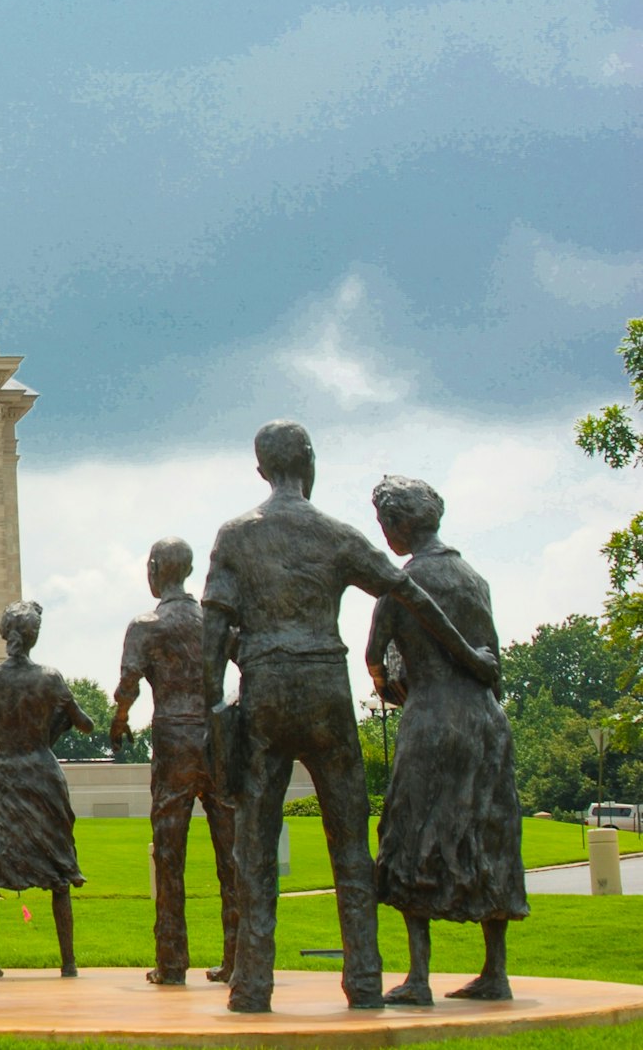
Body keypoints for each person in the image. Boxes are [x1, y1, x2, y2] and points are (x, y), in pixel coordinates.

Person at [201, 421, 498, 1014]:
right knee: (350, 843)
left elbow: (212, 637)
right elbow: (409, 593)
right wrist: (470, 657)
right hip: (324, 692)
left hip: (264, 692)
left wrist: (216, 718)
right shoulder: (336, 534)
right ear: (309, 463)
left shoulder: (235, 536)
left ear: (261, 469)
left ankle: (253, 985)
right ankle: (363, 979)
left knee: (254, 844)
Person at [366, 475, 528, 1004]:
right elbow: (492, 660)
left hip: (432, 720)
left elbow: (379, 666)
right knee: (491, 834)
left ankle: (418, 977)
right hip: (485, 721)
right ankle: (495, 971)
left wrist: (388, 683)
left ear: (395, 527)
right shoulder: (472, 577)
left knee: (411, 834)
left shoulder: (399, 587)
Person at [112, 536, 239, 987]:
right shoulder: (214, 622)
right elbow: (245, 663)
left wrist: (120, 719)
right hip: (216, 737)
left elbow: (128, 684)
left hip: (173, 738)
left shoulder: (146, 625)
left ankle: (171, 962)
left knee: (170, 853)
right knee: (232, 854)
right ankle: (238, 959)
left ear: (154, 569)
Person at [0, 599, 90, 978]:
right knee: (57, 870)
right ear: (34, 637)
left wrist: (1, 732)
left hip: (4, 772)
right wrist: (55, 723)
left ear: (6, 634)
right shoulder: (50, 678)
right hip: (41, 773)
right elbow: (84, 724)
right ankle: (67, 962)